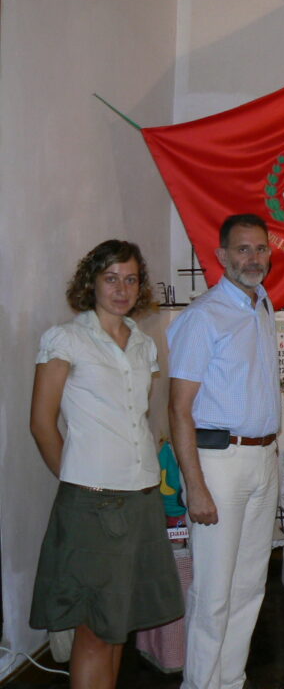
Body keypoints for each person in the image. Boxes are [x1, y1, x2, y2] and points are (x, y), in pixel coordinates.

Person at [29, 240, 184, 688]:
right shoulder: (67, 339)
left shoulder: (142, 344)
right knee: (95, 630)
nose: (121, 288)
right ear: (91, 282)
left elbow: (137, 419)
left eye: (130, 279)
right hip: (92, 503)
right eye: (111, 278)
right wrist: (79, 481)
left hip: (140, 499)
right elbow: (41, 423)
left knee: (120, 624)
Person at [167, 214, 281, 689]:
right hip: (218, 465)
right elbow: (178, 410)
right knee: (213, 594)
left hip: (262, 461)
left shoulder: (262, 305)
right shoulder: (203, 316)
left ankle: (228, 682)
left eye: (260, 249)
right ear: (221, 257)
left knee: (249, 588)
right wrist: (195, 486)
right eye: (242, 250)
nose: (252, 259)